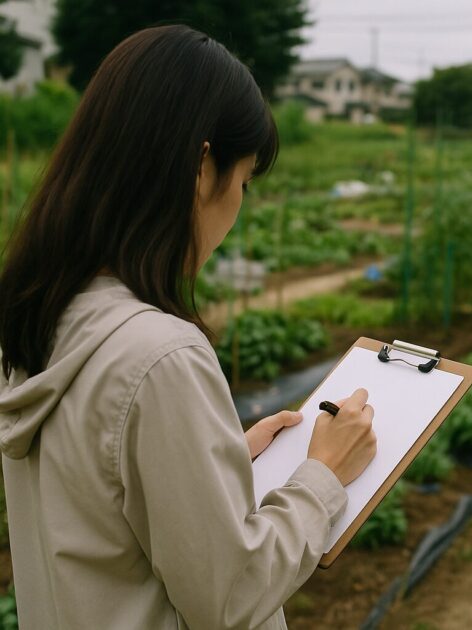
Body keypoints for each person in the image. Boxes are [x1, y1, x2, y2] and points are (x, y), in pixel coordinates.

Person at [0, 25, 377, 629]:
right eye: (245, 181)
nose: (239, 206)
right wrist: (322, 477)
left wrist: (216, 459)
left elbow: (100, 506)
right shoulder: (159, 356)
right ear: (203, 168)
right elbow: (230, 595)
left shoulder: (41, 318)